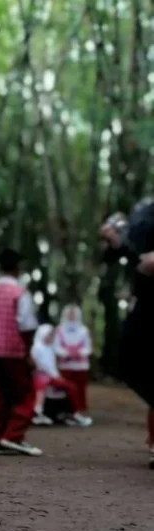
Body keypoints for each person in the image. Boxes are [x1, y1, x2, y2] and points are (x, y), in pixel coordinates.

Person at [101, 201, 154, 469]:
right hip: (146, 302)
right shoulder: (143, 212)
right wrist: (115, 242)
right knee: (128, 361)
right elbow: (117, 255)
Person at [0, 248, 42, 456]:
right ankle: (13, 436)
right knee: (25, 394)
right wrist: (28, 352)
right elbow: (26, 325)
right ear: (18, 269)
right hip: (15, 352)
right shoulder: (20, 293)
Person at [31, 324, 92, 427]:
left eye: (52, 335)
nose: (51, 338)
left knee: (69, 387)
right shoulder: (37, 348)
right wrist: (55, 377)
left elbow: (52, 365)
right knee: (71, 387)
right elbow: (42, 366)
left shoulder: (49, 348)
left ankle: (69, 413)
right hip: (44, 376)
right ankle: (74, 414)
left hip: (51, 376)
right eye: (49, 335)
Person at [54, 305, 93, 419]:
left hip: (81, 365)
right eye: (69, 313)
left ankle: (80, 410)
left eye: (74, 313)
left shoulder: (84, 330)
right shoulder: (59, 330)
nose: (71, 316)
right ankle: (66, 410)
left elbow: (88, 347)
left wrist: (79, 353)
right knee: (65, 388)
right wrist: (66, 353)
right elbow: (56, 346)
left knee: (80, 388)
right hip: (65, 365)